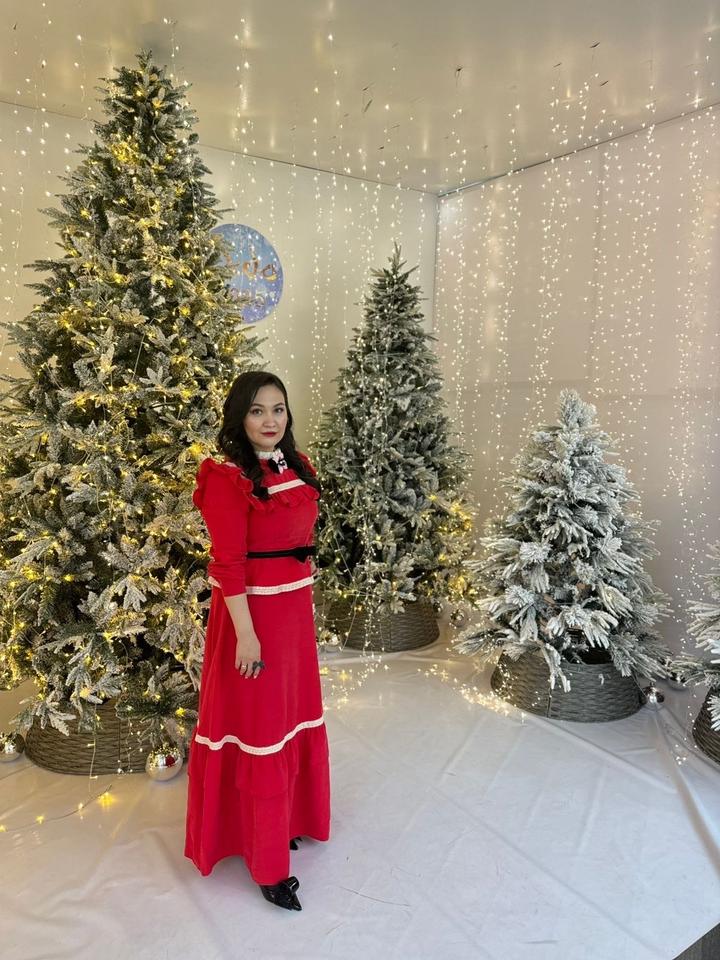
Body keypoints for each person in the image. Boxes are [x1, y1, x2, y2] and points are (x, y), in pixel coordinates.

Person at [184, 370, 331, 911]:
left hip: (293, 619)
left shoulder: (296, 465)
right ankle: (267, 863)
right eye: (257, 410)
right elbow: (227, 565)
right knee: (261, 730)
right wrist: (246, 638)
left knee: (290, 719)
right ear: (239, 417)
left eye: (278, 408)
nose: (270, 420)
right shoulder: (226, 478)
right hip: (253, 621)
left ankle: (284, 821)